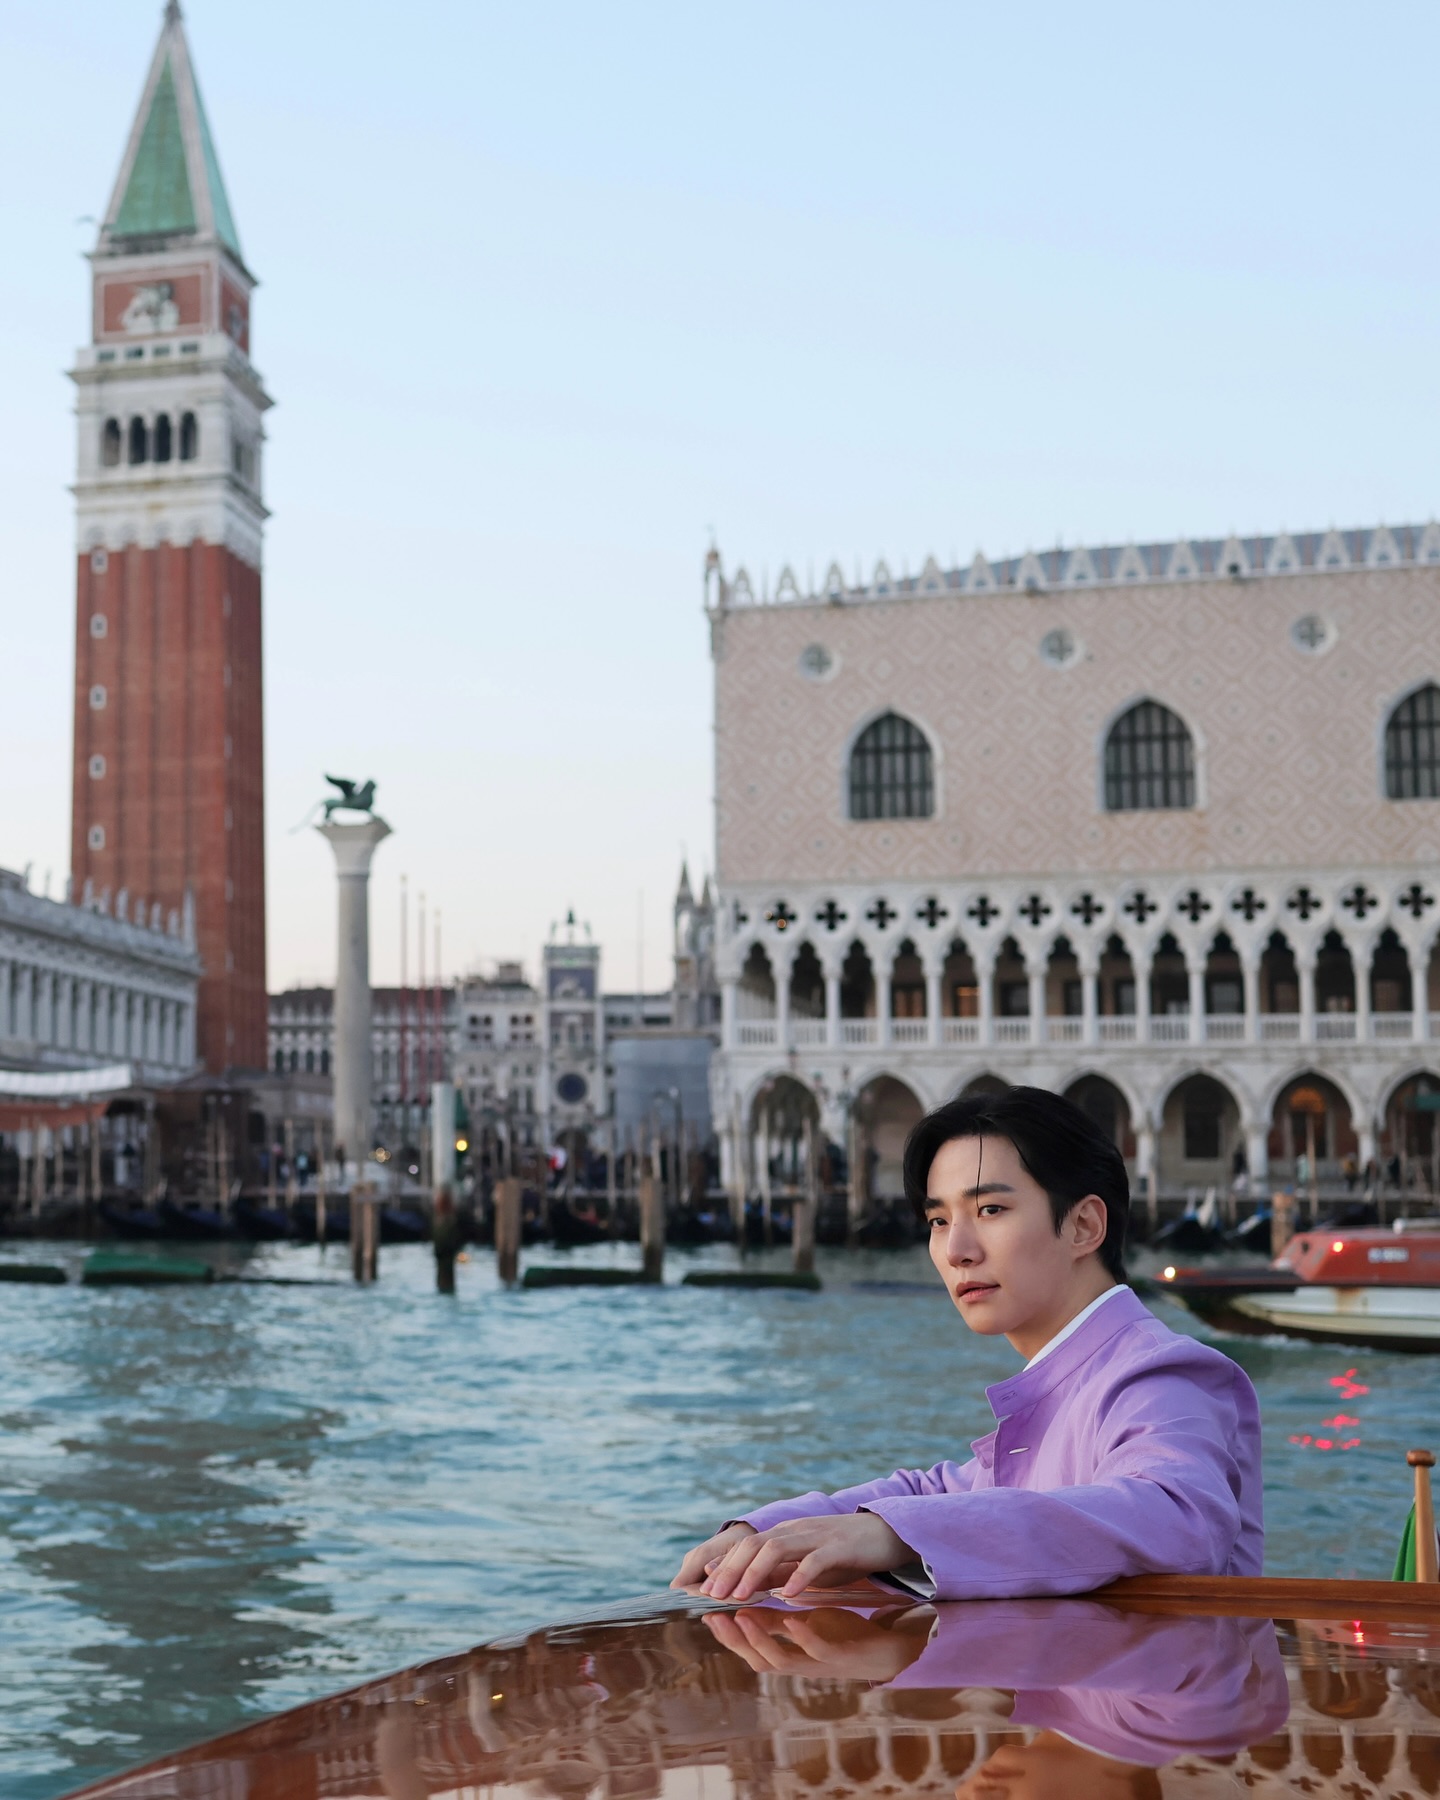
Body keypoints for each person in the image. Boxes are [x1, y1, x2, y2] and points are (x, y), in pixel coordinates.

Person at [672, 1085, 1262, 1602]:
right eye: (938, 1221)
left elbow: (1177, 1517)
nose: (956, 1250)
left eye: (990, 1209)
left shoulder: (1158, 1375)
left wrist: (898, 1533)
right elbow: (937, 1491)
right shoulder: (1062, 1388)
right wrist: (763, 1531)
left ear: (1084, 1226)